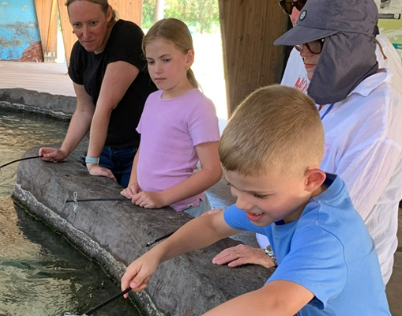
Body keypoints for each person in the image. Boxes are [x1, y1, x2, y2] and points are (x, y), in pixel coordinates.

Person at [121, 85, 391, 315]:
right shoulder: (282, 202)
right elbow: (213, 225)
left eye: (258, 194)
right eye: (234, 188)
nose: (241, 204)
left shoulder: (327, 232)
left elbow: (275, 303)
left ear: (311, 180)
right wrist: (156, 255)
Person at [213, 0, 402, 285]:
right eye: (301, 41)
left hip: (340, 272)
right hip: (295, 249)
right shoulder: (335, 83)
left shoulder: (378, 119)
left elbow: (340, 219)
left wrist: (272, 253)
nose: (302, 51)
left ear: (347, 44)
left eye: (313, 42)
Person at [38, 0, 157, 188]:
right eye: (77, 25)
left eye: (93, 23)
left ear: (108, 14)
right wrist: (64, 151)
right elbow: (85, 110)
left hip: (140, 150)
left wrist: (91, 161)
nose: (85, 34)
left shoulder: (127, 35)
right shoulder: (79, 52)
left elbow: (106, 105)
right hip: (106, 151)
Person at [119, 18, 222, 217]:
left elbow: (212, 170)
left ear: (188, 58)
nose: (156, 69)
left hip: (185, 211)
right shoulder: (151, 99)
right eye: (151, 61)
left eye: (166, 60)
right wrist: (133, 184)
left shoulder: (199, 106)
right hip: (150, 203)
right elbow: (143, 149)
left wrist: (163, 197)